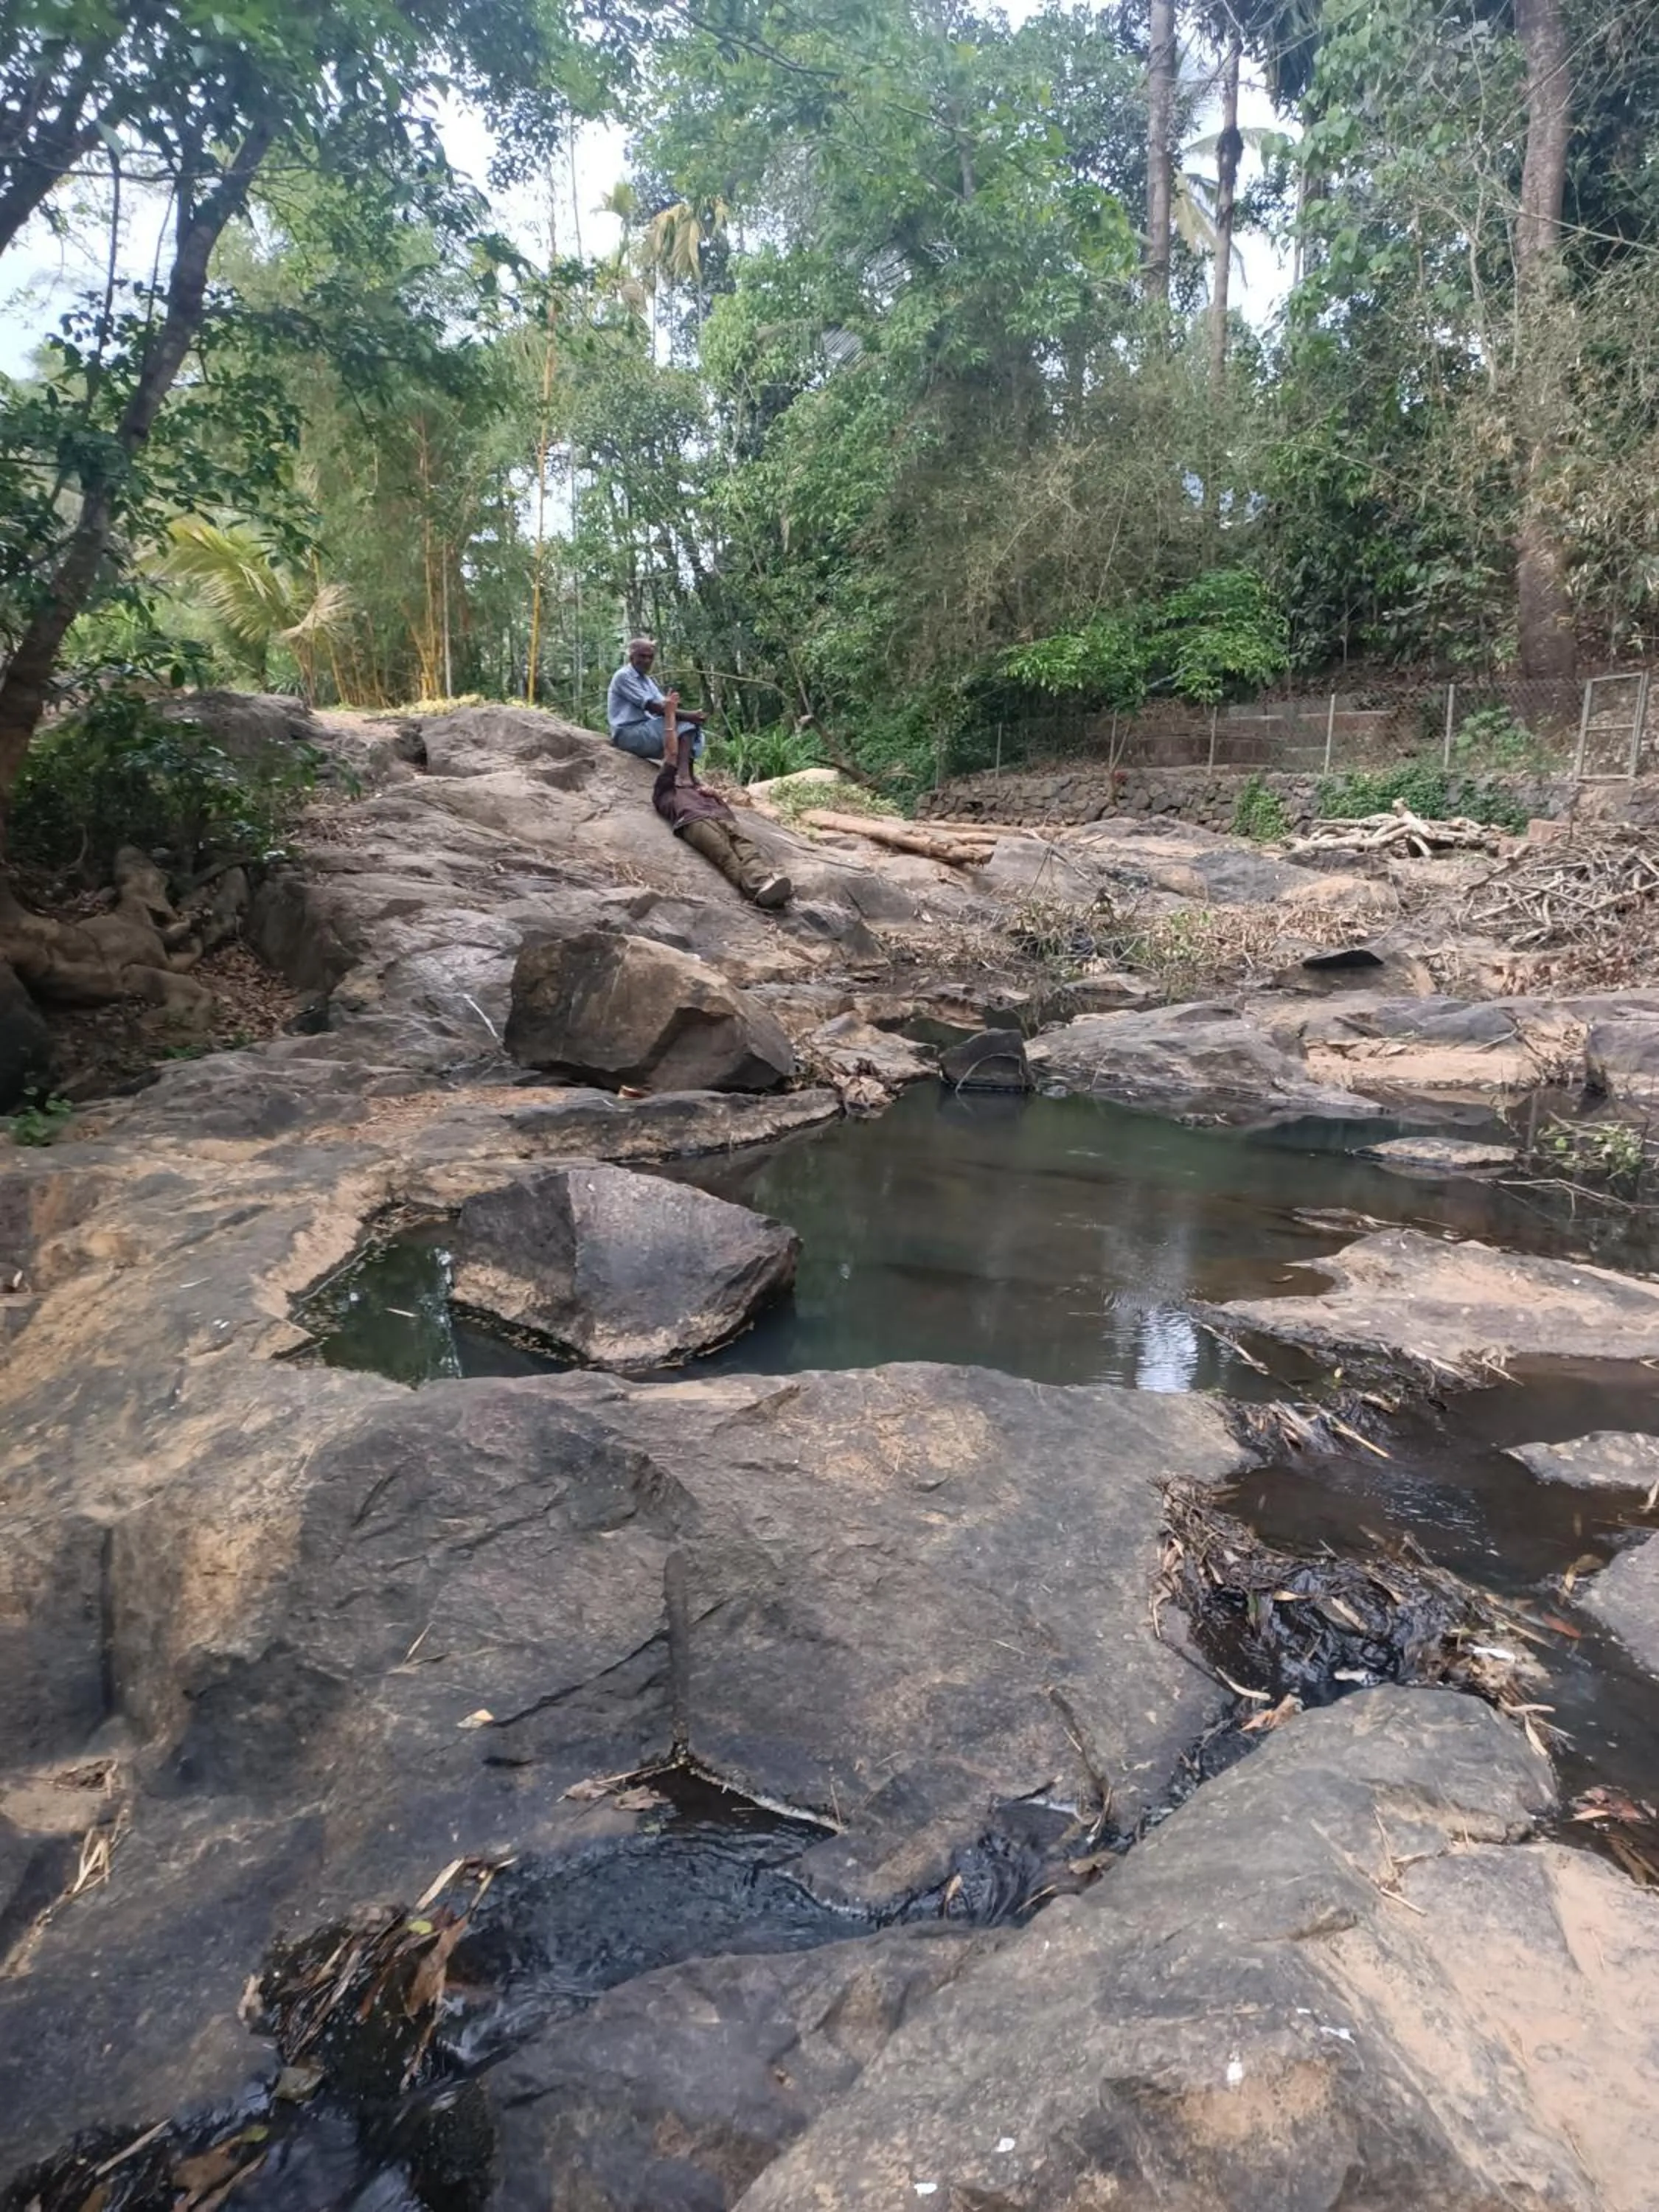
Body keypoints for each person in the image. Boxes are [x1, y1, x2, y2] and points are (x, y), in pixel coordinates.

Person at [654, 699, 791, 908]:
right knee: (725, 854)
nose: (685, 760)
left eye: (689, 758)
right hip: (695, 820)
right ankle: (756, 890)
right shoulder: (665, 791)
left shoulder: (696, 784)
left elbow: (726, 809)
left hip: (722, 817)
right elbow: (671, 754)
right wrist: (670, 716)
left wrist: (716, 796)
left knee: (748, 849)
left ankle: (765, 881)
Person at [607, 636, 706, 759]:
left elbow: (664, 705)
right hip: (628, 733)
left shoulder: (646, 680)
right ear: (632, 657)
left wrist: (672, 705)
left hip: (645, 729)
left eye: (650, 657)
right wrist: (688, 715)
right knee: (685, 723)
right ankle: (683, 774)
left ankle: (684, 771)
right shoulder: (624, 676)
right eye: (642, 656)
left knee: (693, 729)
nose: (647, 661)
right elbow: (654, 707)